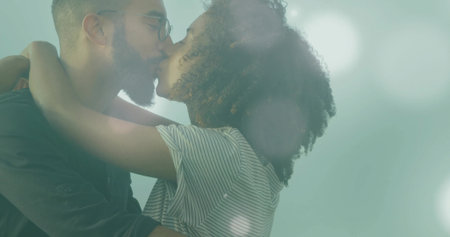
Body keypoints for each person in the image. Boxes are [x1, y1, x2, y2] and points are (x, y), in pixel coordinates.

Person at [21, 0, 337, 236]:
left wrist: (38, 52)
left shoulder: (218, 155)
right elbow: (111, 109)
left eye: (186, 40)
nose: (168, 47)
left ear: (220, 60)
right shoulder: (244, 162)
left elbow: (63, 112)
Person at [0, 0, 186, 236]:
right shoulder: (14, 120)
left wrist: (41, 51)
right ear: (98, 30)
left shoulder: (108, 145)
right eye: (154, 25)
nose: (168, 46)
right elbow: (110, 229)